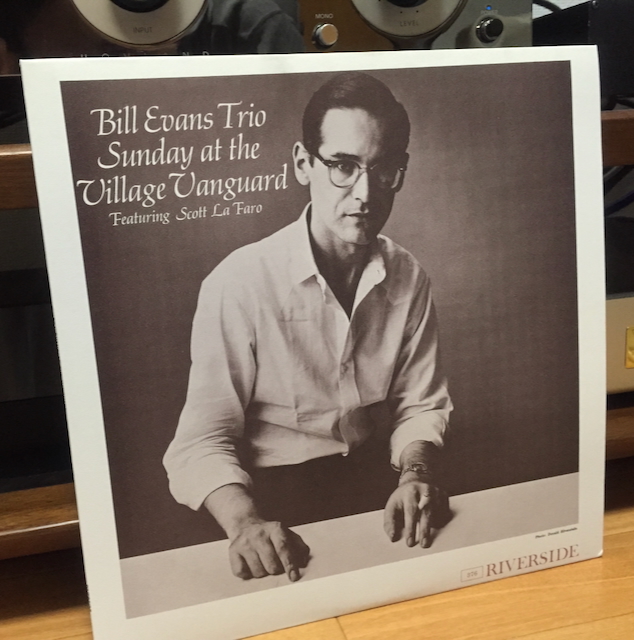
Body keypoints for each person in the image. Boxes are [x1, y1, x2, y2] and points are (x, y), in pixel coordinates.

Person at [164, 71, 452, 583]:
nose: (365, 192)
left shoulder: (409, 275)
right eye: (342, 166)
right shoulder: (239, 281)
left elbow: (420, 405)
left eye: (383, 168)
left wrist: (415, 474)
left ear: (400, 171)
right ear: (303, 163)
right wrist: (245, 524)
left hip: (374, 482)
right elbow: (201, 443)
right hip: (267, 497)